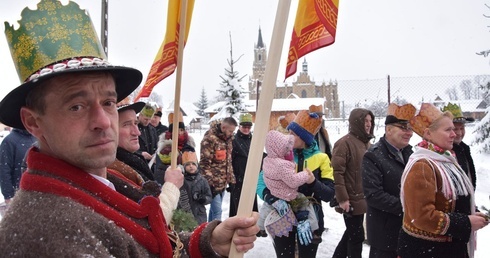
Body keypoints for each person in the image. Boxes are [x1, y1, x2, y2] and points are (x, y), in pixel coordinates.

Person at [0, 1, 259, 256]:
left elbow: (147, 244)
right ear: (33, 122)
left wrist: (207, 243)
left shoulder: (104, 181)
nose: (103, 121)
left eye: (109, 102)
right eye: (76, 106)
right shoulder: (44, 235)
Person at [397, 103, 488, 257]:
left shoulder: (446, 160)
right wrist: (466, 222)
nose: (454, 134)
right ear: (428, 134)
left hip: (448, 250)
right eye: (448, 130)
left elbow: (453, 198)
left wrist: (472, 213)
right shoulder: (422, 166)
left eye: (454, 129)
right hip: (426, 251)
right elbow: (421, 217)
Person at [257, 107, 335, 257]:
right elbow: (261, 183)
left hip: (310, 218)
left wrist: (313, 182)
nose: (289, 137)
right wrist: (271, 198)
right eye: (289, 132)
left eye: (293, 134)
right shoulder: (279, 155)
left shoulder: (322, 159)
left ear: (304, 138)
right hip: (281, 216)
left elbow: (330, 194)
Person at [361, 103, 416, 258]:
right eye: (403, 128)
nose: (409, 133)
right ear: (388, 129)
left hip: (410, 230)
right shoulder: (373, 156)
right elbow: (373, 195)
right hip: (385, 234)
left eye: (410, 128)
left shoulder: (411, 153)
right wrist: (409, 208)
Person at [262, 130, 318, 246]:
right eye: (286, 149)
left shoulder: (268, 160)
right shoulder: (282, 164)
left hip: (275, 194)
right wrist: (306, 174)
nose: (290, 151)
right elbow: (293, 181)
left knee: (269, 214)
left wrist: (270, 196)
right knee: (305, 205)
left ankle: (259, 227)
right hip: (287, 195)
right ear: (278, 150)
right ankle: (312, 229)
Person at [332, 108, 374, 258]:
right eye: (365, 121)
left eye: (370, 121)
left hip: (363, 198)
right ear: (357, 122)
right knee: (356, 237)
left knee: (351, 234)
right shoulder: (344, 143)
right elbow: (338, 173)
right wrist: (343, 199)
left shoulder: (367, 144)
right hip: (350, 200)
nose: (368, 124)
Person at [108, 98, 154, 185]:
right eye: (126, 124)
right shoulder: (116, 172)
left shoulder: (134, 162)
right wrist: (171, 186)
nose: (137, 132)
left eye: (136, 123)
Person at [200, 117, 237, 222]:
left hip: (223, 182)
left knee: (213, 211)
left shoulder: (228, 140)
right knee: (217, 211)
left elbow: (228, 162)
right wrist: (209, 183)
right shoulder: (210, 139)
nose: (231, 133)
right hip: (213, 183)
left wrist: (231, 180)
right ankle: (217, 235)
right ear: (223, 127)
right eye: (230, 131)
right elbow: (204, 163)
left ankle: (209, 233)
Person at [442, 102, 477, 190]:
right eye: (454, 129)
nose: (459, 133)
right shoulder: (442, 152)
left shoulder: (464, 148)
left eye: (462, 128)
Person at [229, 113, 258, 217]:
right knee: (238, 207)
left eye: (248, 127)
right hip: (238, 179)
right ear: (239, 126)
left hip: (251, 178)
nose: (246, 129)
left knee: (251, 205)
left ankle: (252, 226)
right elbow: (229, 161)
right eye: (244, 127)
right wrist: (231, 179)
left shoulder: (253, 140)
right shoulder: (233, 140)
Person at [0, 128, 36, 204]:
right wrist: (8, 195)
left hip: (36, 194)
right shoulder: (9, 141)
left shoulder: (37, 138)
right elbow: (4, 169)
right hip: (18, 194)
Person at [179, 148, 212, 225]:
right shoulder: (181, 180)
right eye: (188, 164)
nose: (191, 166)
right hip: (185, 216)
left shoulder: (202, 180)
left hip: (200, 215)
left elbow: (209, 197)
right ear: (184, 167)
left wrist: (203, 198)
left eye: (193, 164)